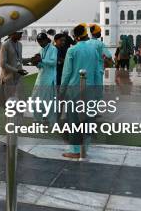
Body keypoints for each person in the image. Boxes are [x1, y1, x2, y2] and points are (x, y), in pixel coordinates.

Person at [60, 24, 101, 159]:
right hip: (90, 89)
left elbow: (66, 74)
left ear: (75, 37)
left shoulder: (72, 51)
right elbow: (97, 72)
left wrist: (61, 92)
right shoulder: (93, 50)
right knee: (87, 120)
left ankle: (75, 150)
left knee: (73, 121)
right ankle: (85, 148)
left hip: (74, 90)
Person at [30, 33, 57, 122]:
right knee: (35, 98)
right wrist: (36, 63)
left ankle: (47, 119)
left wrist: (42, 60)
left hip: (49, 78)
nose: (40, 43)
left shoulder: (53, 49)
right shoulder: (41, 50)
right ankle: (38, 118)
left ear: (46, 40)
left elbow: (53, 63)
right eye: (39, 42)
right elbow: (41, 66)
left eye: (41, 41)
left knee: (47, 100)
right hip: (41, 77)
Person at [0, 31, 27, 107]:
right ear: (12, 34)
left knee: (19, 102)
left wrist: (31, 60)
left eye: (21, 33)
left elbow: (18, 59)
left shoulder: (19, 45)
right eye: (19, 33)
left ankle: (18, 118)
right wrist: (17, 71)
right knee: (10, 102)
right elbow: (3, 64)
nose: (21, 35)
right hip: (8, 78)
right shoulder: (5, 45)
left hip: (18, 77)